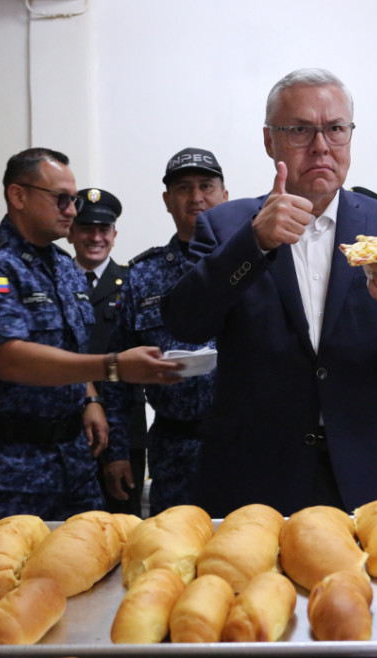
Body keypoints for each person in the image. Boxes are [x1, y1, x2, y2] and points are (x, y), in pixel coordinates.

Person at [160, 68, 377, 517]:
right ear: (269, 141)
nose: (321, 145)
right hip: (256, 474)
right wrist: (254, 242)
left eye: (335, 129)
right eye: (300, 130)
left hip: (374, 470)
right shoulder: (226, 227)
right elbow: (183, 321)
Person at [0, 147, 182, 533]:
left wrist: (89, 396)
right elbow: (10, 358)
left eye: (72, 200)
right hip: (6, 469)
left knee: (87, 569)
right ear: (18, 196)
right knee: (5, 584)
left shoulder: (62, 267)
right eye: (62, 199)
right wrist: (114, 366)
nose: (72, 210)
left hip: (73, 462)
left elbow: (70, 348)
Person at [101, 148, 228, 516]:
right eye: (184, 188)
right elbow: (118, 374)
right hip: (174, 447)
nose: (196, 197)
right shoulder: (142, 275)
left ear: (225, 195)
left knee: (247, 551)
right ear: (167, 200)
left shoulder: (255, 264)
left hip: (246, 443)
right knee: (171, 553)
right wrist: (118, 453)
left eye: (206, 186)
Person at [67, 188, 148, 515]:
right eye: (87, 228)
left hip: (123, 429)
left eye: (104, 230)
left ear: (114, 235)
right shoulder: (54, 281)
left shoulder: (132, 282)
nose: (96, 237)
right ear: (71, 232)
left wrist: (121, 449)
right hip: (66, 427)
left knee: (124, 526)